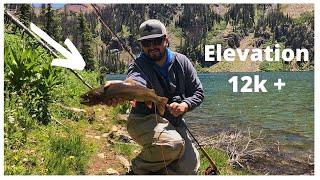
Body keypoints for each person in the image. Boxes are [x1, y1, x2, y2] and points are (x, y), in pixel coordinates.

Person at [104, 19, 204, 175]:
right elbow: (135, 81)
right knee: (172, 145)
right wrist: (123, 88)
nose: (151, 47)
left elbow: (198, 92)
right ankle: (137, 171)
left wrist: (185, 105)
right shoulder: (138, 65)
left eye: (156, 41)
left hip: (173, 120)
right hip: (142, 119)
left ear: (166, 40)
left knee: (190, 167)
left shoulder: (182, 62)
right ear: (141, 45)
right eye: (146, 43)